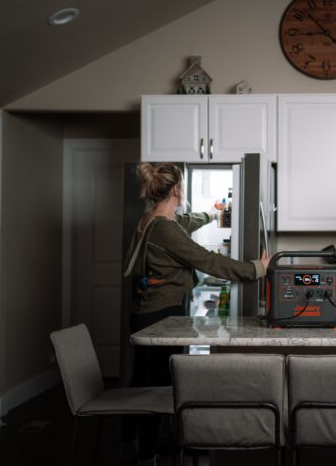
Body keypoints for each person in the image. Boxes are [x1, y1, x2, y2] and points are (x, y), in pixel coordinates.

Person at [122, 162, 268, 465]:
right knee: (157, 387)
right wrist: (257, 268)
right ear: (177, 189)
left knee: (141, 379)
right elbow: (207, 261)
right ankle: (147, 455)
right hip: (161, 315)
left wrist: (215, 214)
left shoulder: (153, 220)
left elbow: (186, 220)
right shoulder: (165, 229)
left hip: (146, 312)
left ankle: (130, 441)